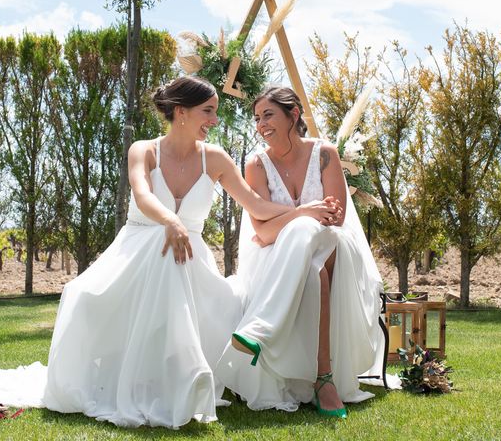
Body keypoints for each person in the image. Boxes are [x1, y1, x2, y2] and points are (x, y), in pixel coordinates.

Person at [41, 77, 340, 429]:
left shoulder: (214, 158)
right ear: (181, 112)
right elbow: (142, 195)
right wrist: (170, 220)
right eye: (208, 111)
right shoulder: (144, 149)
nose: (214, 120)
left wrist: (302, 212)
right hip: (136, 253)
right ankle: (169, 374)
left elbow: (256, 205)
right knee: (104, 282)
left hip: (191, 263)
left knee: (191, 270)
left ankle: (186, 373)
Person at [216, 87, 383, 418]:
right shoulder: (256, 165)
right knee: (312, 268)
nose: (261, 124)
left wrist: (308, 218)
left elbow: (336, 217)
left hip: (334, 245)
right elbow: (263, 233)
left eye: (269, 115)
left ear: (293, 114)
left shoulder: (325, 154)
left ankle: (261, 329)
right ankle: (323, 380)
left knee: (311, 234)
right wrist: (304, 212)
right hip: (277, 256)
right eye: (257, 118)